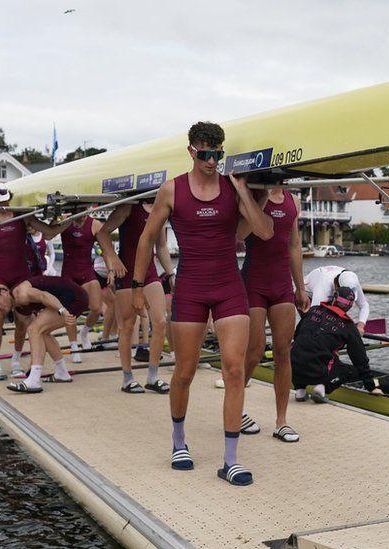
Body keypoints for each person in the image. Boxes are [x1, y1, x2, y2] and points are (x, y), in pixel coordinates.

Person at [132, 121, 271, 486]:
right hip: (191, 287)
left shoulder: (231, 187)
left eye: (217, 154)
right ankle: (179, 442)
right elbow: (147, 240)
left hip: (229, 286)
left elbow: (265, 231)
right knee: (185, 372)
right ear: (192, 151)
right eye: (205, 153)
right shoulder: (172, 190)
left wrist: (242, 193)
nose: (212, 160)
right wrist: (136, 286)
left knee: (234, 370)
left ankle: (230, 460)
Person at [0, 182, 60, 381]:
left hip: (21, 273)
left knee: (22, 319)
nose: (4, 202)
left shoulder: (22, 216)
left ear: (10, 197)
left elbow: (49, 233)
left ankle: (16, 360)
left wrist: (65, 220)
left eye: (6, 199)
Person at [238, 179, 306, 443]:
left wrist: (300, 288)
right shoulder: (255, 196)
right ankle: (237, 407)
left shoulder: (293, 201)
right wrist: (258, 198)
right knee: (254, 351)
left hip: (281, 285)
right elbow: (239, 235)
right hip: (253, 282)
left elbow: (294, 245)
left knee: (282, 351)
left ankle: (282, 421)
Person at [98, 198, 175, 394]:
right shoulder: (129, 206)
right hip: (126, 271)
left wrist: (171, 274)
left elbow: (162, 247)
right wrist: (112, 258)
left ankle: (153, 376)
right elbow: (103, 233)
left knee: (160, 321)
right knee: (127, 325)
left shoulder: (161, 209)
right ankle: (127, 378)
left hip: (149, 273)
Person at [0, 275, 88, 393]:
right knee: (42, 332)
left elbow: (44, 295)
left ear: (4, 292)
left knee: (34, 329)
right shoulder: (20, 310)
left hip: (73, 296)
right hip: (67, 298)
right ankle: (62, 373)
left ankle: (34, 381)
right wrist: (32, 363)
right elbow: (37, 338)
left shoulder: (20, 293)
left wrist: (62, 310)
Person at [291, 286, 378, 403]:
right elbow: (360, 359)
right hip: (316, 372)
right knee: (350, 371)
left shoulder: (313, 310)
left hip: (292, 367)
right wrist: (370, 386)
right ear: (350, 306)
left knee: (302, 350)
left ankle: (300, 392)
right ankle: (321, 388)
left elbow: (297, 335)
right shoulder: (349, 327)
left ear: (334, 298)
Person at [43, 215, 106, 364]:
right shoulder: (65, 220)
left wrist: (110, 269)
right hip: (69, 272)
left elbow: (106, 247)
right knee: (71, 313)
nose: (81, 212)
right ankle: (74, 347)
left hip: (87, 271)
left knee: (96, 308)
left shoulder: (95, 224)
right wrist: (56, 220)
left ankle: (84, 332)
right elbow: (48, 235)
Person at [304, 266, 370, 332]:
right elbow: (313, 316)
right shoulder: (323, 289)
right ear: (337, 287)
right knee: (314, 327)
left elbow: (364, 305)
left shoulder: (351, 280)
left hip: (328, 291)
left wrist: (360, 326)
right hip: (305, 295)